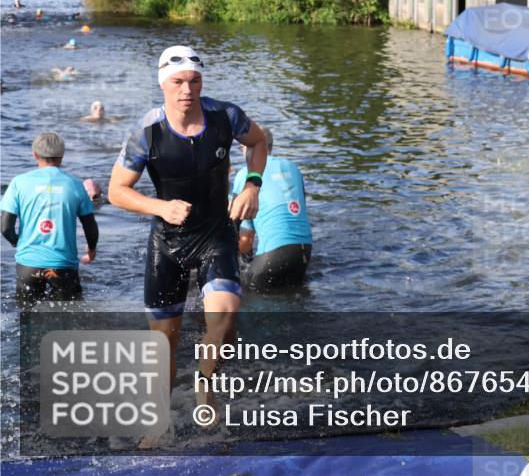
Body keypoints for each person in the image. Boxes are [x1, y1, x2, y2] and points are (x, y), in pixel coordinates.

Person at [108, 45, 267, 436]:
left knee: (226, 318)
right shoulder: (147, 132)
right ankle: (157, 422)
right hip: (169, 242)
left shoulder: (225, 116)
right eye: (178, 82)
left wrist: (252, 185)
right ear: (163, 83)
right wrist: (159, 207)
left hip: (217, 231)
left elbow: (259, 142)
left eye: (194, 81)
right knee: (164, 344)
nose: (187, 90)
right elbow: (116, 191)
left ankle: (204, 385)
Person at [0, 132, 98, 306]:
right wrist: (91, 250)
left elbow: (5, 226)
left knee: (27, 318)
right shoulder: (75, 185)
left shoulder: (19, 182)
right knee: (68, 319)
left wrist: (17, 242)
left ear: (35, 155)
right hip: (64, 266)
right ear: (62, 156)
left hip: (27, 265)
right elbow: (90, 227)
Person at [231, 126, 312, 290]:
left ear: (248, 148)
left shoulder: (245, 175)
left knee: (243, 293)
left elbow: (246, 242)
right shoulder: (293, 167)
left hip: (274, 254)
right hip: (305, 251)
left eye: (242, 147)